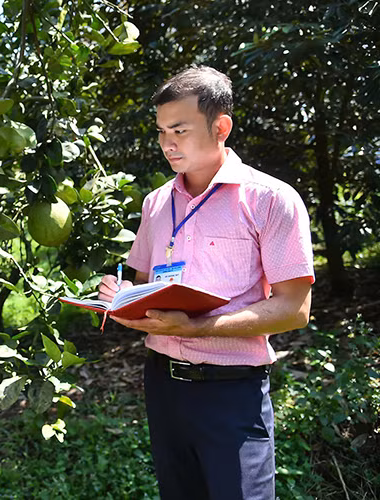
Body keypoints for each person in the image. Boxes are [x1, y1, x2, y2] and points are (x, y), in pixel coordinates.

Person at [98, 66, 314, 500]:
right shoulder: (156, 203)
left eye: (179, 129)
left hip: (231, 391)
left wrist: (198, 328)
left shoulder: (270, 199)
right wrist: (120, 299)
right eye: (160, 131)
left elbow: (294, 309)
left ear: (221, 127)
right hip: (162, 386)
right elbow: (143, 285)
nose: (166, 144)